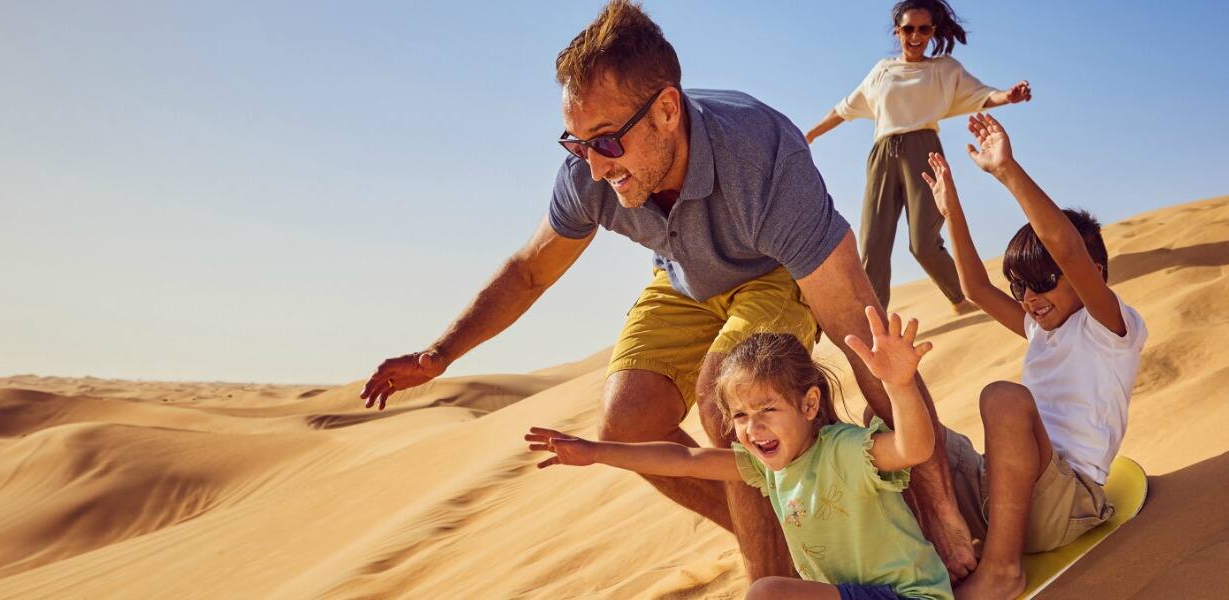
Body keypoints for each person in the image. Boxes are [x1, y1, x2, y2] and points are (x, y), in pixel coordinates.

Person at [361, 0, 981, 582]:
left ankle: (778, 574)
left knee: (725, 404)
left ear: (666, 110)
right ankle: (791, 540)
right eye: (575, 144)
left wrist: (943, 514)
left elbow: (859, 325)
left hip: (772, 274)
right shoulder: (590, 174)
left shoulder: (762, 157)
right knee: (626, 425)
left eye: (605, 141)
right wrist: (441, 354)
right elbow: (529, 271)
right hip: (682, 277)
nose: (594, 165)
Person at [529, 309, 953, 600]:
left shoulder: (842, 450)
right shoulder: (767, 467)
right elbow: (683, 461)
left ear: (808, 406)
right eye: (741, 415)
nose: (753, 427)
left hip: (908, 596)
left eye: (768, 409)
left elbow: (913, 447)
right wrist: (597, 452)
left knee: (767, 593)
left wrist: (900, 385)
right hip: (852, 595)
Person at [919, 113, 1149, 600]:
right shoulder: (1039, 331)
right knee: (919, 437)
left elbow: (1066, 248)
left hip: (1065, 504)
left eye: (1043, 282)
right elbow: (976, 289)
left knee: (1003, 398)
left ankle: (1001, 570)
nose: (1028, 298)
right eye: (1020, 286)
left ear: (1095, 273)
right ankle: (925, 561)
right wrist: (951, 213)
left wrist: (1007, 172)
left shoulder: (1109, 326)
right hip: (1006, 498)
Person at [805, 0, 1032, 313]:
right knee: (873, 244)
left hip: (923, 150)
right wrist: (811, 134)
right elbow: (844, 108)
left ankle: (962, 298)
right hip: (883, 154)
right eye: (908, 28)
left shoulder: (945, 69)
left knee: (923, 243)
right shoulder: (882, 71)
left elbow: (981, 95)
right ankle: (876, 319)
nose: (915, 35)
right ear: (898, 31)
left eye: (923, 29)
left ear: (932, 31)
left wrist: (1008, 96)